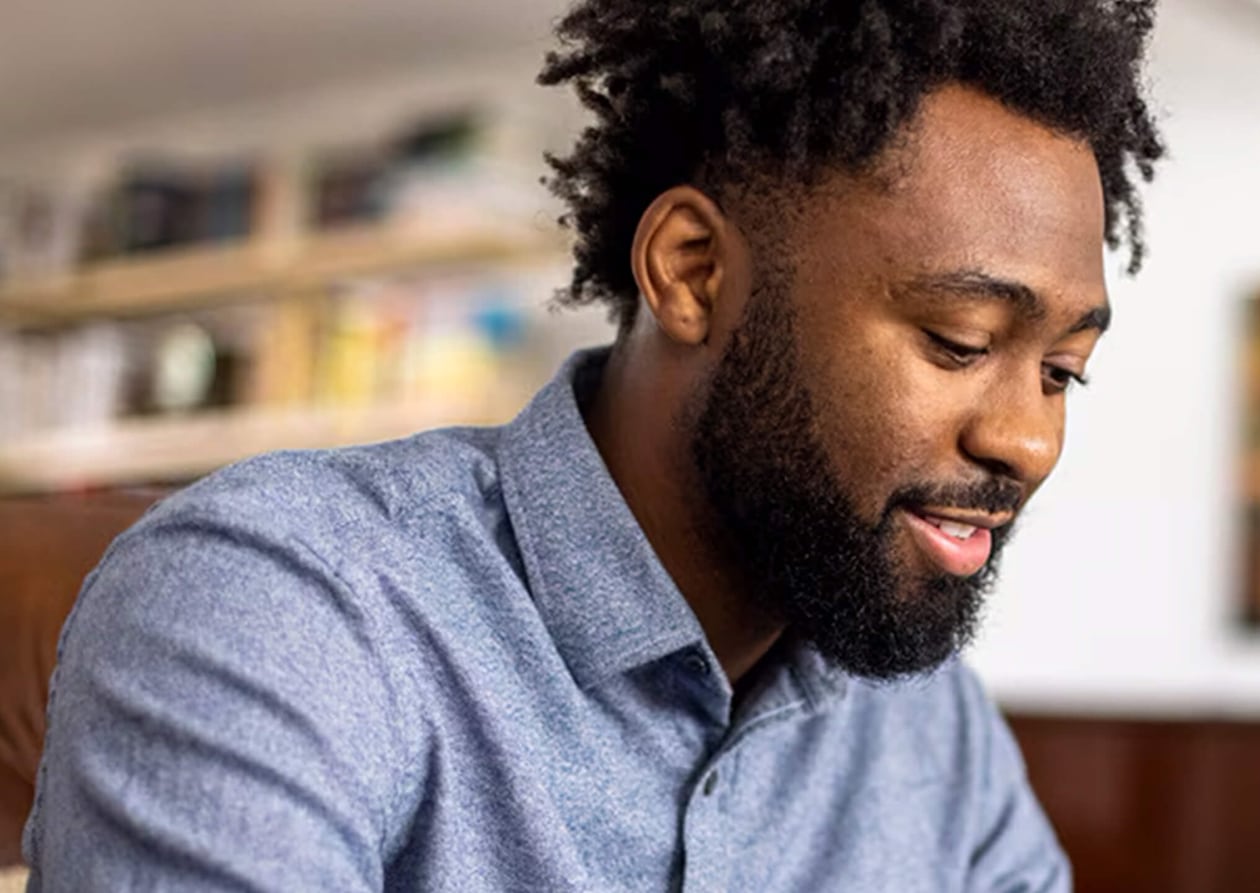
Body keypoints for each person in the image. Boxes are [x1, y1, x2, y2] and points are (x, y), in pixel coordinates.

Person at [23, 0, 1163, 889]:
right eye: (959, 340)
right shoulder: (280, 607)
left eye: (1063, 370)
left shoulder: (925, 730)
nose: (1027, 437)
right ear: (692, 272)